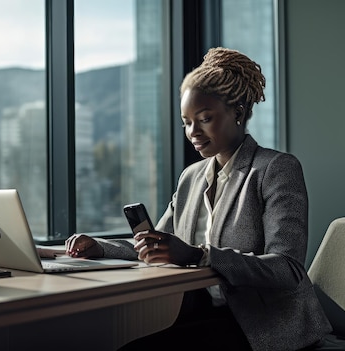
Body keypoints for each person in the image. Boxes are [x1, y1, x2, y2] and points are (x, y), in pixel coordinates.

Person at [65, 47, 331, 351]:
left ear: (239, 113)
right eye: (186, 121)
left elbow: (287, 270)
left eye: (204, 119)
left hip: (263, 327)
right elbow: (159, 243)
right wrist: (99, 246)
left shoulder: (275, 169)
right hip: (202, 313)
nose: (193, 132)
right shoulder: (191, 176)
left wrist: (198, 255)